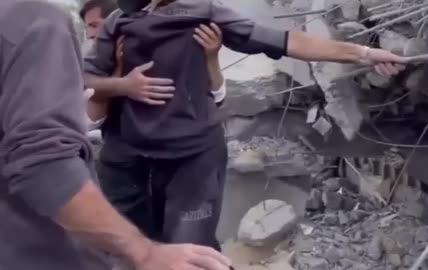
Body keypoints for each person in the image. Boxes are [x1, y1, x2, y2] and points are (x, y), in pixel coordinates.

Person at [84, 0, 407, 251]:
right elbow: (82, 79)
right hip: (126, 161)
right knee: (129, 248)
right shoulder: (118, 24)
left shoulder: (204, 14)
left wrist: (363, 53)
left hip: (192, 159)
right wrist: (123, 86)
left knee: (188, 250)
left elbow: (287, 41)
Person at [0, 1, 232, 270]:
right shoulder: (65, 43)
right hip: (123, 166)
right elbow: (87, 119)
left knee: (188, 244)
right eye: (90, 28)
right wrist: (121, 83)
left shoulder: (178, 44)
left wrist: (211, 58)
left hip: (190, 160)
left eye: (98, 26)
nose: (93, 35)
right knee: (134, 243)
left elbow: (216, 97)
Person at [80, 0, 226, 128]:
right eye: (87, 27)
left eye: (94, 25)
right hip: (125, 148)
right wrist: (119, 79)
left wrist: (212, 57)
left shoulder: (184, 44)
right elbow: (93, 120)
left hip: (187, 142)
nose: (90, 34)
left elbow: (217, 98)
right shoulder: (97, 66)